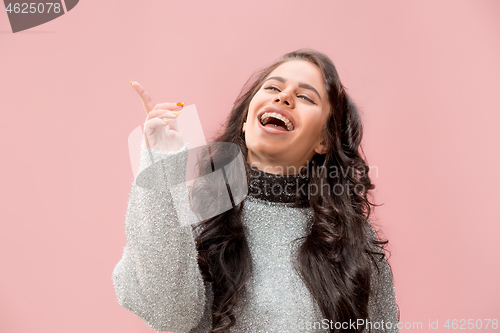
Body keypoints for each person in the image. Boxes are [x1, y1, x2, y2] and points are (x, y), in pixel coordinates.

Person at [112, 49, 399, 333]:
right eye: (273, 87)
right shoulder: (200, 214)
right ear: (247, 123)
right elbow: (168, 314)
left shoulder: (351, 241)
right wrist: (162, 161)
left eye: (305, 97)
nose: (284, 97)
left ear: (323, 140)